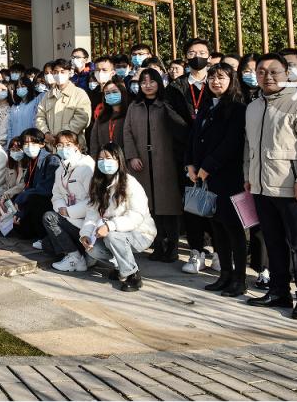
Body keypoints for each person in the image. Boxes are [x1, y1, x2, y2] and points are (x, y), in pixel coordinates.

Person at [245, 54, 297, 320]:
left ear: (286, 74)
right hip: (261, 187)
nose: (267, 76)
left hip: (292, 188)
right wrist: (248, 175)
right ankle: (279, 291)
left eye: (274, 71)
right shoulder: (253, 106)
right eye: (261, 71)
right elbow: (248, 146)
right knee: (273, 242)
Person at [186, 62, 247, 296]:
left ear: (232, 81)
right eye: (211, 78)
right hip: (205, 177)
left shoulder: (238, 109)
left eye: (221, 77)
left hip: (228, 177)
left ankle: (239, 279)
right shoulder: (206, 106)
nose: (216, 82)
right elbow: (194, 138)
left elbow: (231, 143)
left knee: (233, 229)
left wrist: (207, 167)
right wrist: (190, 164)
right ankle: (225, 275)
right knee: (217, 228)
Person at [122, 67, 187, 264]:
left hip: (166, 162)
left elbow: (180, 128)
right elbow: (127, 132)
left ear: (159, 83)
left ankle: (172, 248)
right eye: (143, 82)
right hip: (141, 162)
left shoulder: (166, 104)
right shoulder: (134, 106)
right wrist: (132, 156)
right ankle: (157, 245)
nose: (147, 85)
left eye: (152, 81)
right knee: (149, 207)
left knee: (169, 207)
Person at [79, 142, 158, 292]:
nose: (104, 162)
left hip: (140, 233)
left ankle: (132, 275)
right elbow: (92, 213)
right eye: (100, 159)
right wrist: (86, 234)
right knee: (92, 249)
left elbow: (137, 215)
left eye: (108, 158)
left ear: (118, 160)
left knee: (113, 236)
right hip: (112, 233)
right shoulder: (98, 184)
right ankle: (119, 266)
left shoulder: (130, 183)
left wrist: (110, 226)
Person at [41, 130, 96, 272]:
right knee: (47, 245)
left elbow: (94, 201)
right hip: (67, 217)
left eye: (68, 144)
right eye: (60, 145)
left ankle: (75, 258)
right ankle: (84, 253)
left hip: (86, 222)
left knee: (49, 218)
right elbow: (56, 195)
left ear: (77, 146)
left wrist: (70, 211)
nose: (63, 148)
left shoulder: (86, 167)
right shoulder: (60, 168)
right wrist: (62, 209)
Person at [0, 128, 60, 240]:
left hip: (48, 202)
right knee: (20, 229)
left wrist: (22, 197)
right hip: (32, 199)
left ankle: (44, 237)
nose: (29, 146)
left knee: (33, 199)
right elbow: (27, 186)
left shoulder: (51, 159)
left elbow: (46, 188)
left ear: (42, 144)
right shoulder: (31, 161)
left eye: (33, 143)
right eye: (26, 143)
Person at [35, 59, 92, 148]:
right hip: (52, 147)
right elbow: (40, 117)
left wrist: (62, 137)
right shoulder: (47, 96)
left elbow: (82, 119)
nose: (59, 75)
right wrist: (46, 133)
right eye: (55, 72)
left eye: (62, 72)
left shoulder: (79, 94)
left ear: (69, 73)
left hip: (73, 146)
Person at [89, 79, 127, 158]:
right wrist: (95, 158)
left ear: (122, 92)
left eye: (114, 92)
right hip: (104, 159)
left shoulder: (129, 114)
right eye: (107, 93)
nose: (111, 95)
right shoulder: (101, 117)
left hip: (125, 159)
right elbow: (94, 141)